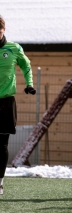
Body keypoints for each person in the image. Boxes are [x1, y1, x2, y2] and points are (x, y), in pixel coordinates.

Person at [0, 16, 36, 195]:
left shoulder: (14, 48)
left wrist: (29, 84)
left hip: (6, 102)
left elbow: (26, 65)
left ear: (3, 30)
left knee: (2, 145)